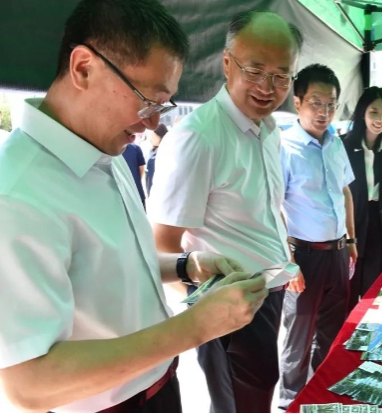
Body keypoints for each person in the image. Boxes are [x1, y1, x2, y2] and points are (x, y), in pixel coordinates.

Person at [0, 1, 269, 413]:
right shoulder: (17, 195)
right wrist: (194, 327)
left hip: (159, 385)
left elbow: (107, 266)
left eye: (163, 106)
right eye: (149, 101)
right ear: (84, 68)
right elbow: (29, 384)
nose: (151, 123)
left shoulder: (103, 148)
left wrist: (187, 266)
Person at [148, 11, 303, 413]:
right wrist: (208, 316)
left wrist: (287, 260)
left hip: (269, 290)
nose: (267, 87)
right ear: (227, 63)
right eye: (255, 71)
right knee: (238, 404)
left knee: (259, 392)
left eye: (281, 76)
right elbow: (161, 243)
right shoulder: (199, 137)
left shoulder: (269, 129)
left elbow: (267, 210)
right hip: (227, 305)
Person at [278, 64, 357, 409]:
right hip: (303, 256)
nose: (324, 112)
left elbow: (345, 193)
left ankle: (321, 396)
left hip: (338, 252)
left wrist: (351, 241)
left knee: (331, 331)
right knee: (298, 336)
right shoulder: (284, 147)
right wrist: (288, 262)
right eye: (316, 103)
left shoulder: (336, 144)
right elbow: (272, 208)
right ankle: (290, 401)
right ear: (297, 102)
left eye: (331, 104)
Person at [342, 86, 382, 312]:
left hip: (378, 221)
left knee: (372, 287)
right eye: (374, 112)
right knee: (348, 283)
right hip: (351, 220)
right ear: (362, 113)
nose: (380, 119)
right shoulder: (344, 145)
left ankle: (366, 325)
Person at [122, 137, 147, 207]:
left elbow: (141, 168)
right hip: (122, 193)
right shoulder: (111, 151)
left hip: (137, 191)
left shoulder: (136, 149)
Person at [145, 123, 168, 197]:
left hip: (160, 191)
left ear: (160, 136)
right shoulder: (152, 151)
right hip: (151, 186)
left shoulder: (164, 152)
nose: (151, 138)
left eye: (153, 136)